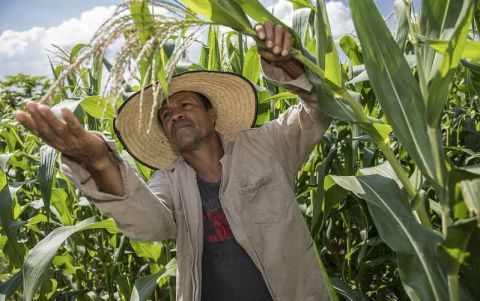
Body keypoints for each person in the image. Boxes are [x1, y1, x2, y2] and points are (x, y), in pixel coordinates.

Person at [15, 22, 331, 301]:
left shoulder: (267, 146)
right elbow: (151, 223)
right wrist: (98, 163)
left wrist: (288, 64)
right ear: (166, 134)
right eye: (166, 115)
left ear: (212, 113)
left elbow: (319, 111)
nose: (175, 114)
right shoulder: (168, 182)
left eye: (185, 104)